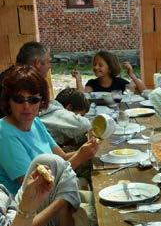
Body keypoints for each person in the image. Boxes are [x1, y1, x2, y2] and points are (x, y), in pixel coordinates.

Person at [0, 65, 99, 195]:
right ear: (8, 101)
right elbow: (35, 189)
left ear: (42, 101)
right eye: (19, 100)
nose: (26, 106)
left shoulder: (35, 122)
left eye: (33, 100)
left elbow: (61, 157)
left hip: (55, 194)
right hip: (33, 208)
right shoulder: (4, 134)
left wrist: (88, 150)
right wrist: (80, 157)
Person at [1, 154, 83, 226]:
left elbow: (63, 155)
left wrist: (28, 202)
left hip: (21, 218)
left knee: (51, 162)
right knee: (49, 162)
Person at [0, 42, 52, 118]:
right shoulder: (23, 82)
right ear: (38, 63)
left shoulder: (9, 75)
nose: (50, 66)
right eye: (49, 62)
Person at [72, 50, 146, 93]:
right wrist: (78, 79)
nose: (96, 67)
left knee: (136, 81)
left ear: (110, 68)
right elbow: (83, 97)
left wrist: (132, 75)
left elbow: (144, 91)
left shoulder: (119, 82)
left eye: (100, 65)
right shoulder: (92, 83)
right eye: (94, 64)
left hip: (118, 113)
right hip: (99, 115)